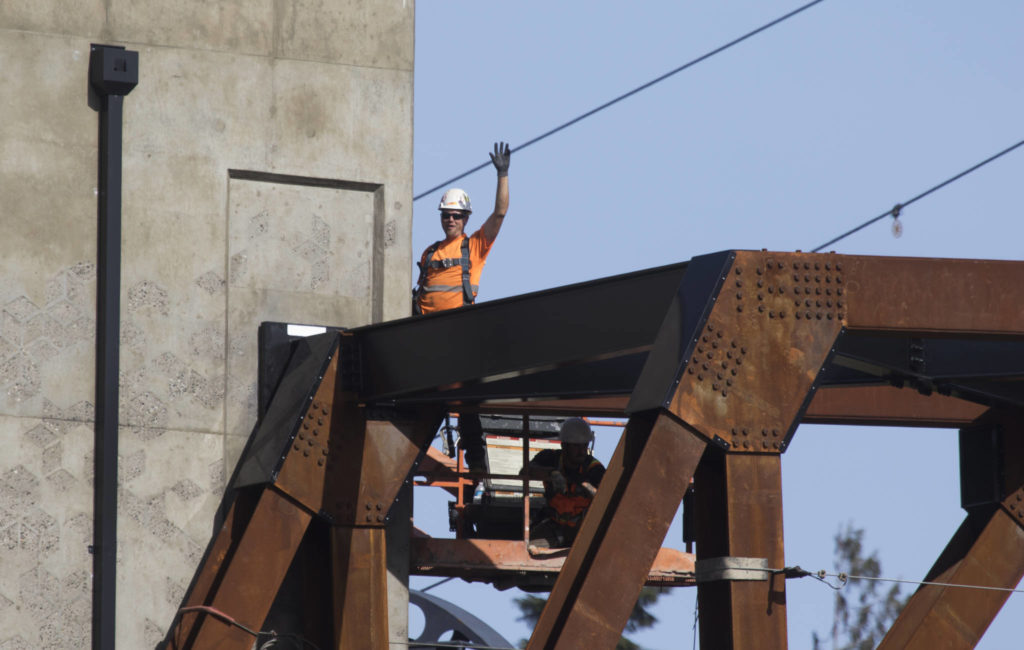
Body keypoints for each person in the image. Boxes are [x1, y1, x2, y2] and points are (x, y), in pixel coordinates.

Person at [413, 142, 511, 471]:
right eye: (446, 214)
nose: (450, 219)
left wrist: (502, 174)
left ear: (465, 218)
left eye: (456, 215)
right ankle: (410, 460)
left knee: (469, 412)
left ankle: (479, 473)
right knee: (424, 408)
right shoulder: (429, 253)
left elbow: (499, 214)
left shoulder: (474, 246)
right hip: (428, 342)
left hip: (459, 338)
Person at [522, 417, 606, 549]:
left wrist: (586, 486)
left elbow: (606, 500)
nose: (582, 450)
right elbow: (525, 472)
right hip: (555, 527)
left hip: (583, 530)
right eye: (576, 446)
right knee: (530, 552)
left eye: (585, 445)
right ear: (564, 445)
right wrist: (552, 474)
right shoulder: (550, 458)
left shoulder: (594, 468)